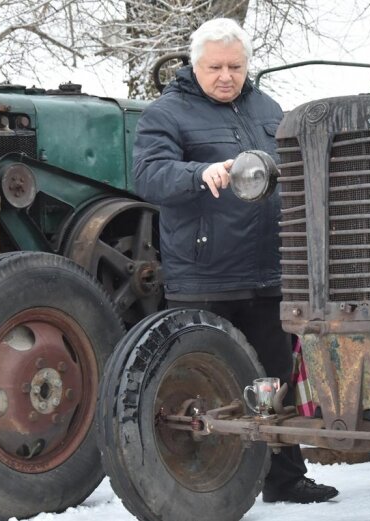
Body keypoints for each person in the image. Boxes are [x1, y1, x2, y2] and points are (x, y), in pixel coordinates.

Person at [132, 17, 339, 505]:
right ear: (194, 65)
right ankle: (206, 483)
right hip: (206, 275)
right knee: (210, 381)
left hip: (269, 271)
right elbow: (146, 175)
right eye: (215, 67)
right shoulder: (166, 113)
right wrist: (199, 172)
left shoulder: (268, 108)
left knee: (275, 378)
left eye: (236, 66)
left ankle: (284, 478)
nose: (226, 75)